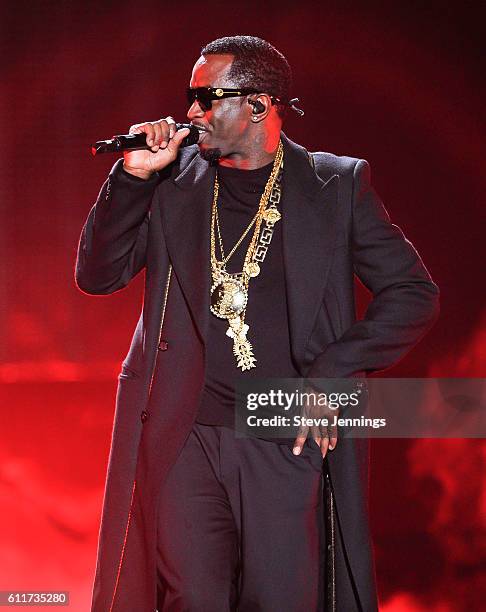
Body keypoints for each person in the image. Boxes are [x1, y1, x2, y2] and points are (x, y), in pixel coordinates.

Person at [76, 35, 439, 612]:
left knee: (279, 599)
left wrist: (331, 371)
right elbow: (98, 276)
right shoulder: (173, 182)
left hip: (281, 426)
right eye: (189, 97)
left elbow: (413, 292)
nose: (190, 113)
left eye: (206, 97)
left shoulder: (334, 185)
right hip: (183, 431)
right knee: (191, 596)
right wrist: (134, 178)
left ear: (258, 104)